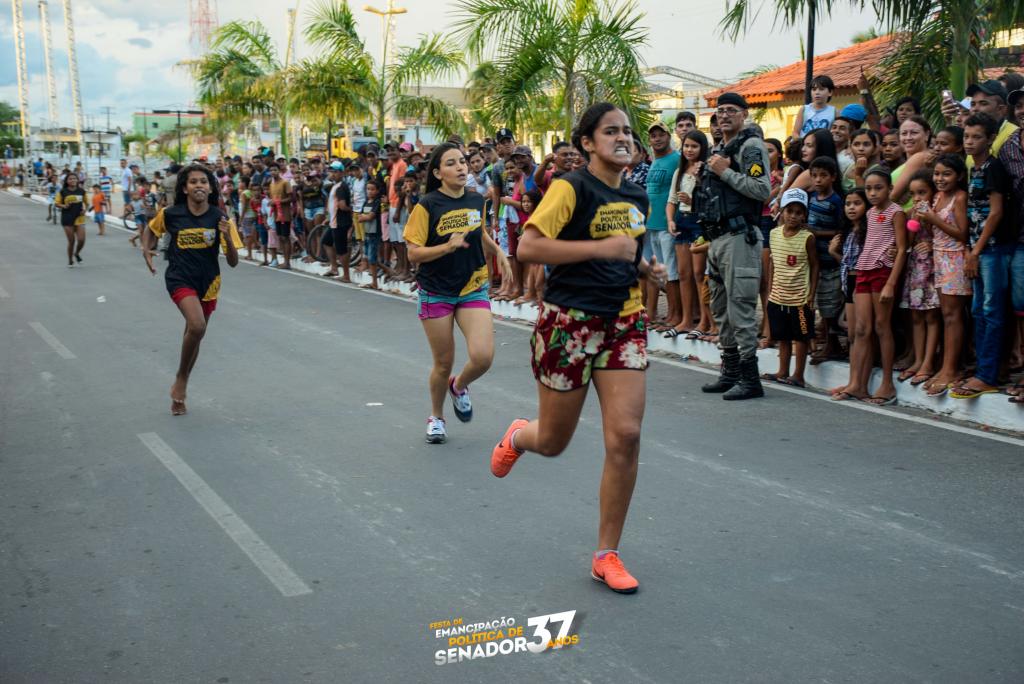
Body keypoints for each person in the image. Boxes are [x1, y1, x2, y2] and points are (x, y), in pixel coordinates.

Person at [489, 102, 667, 594]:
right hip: (568, 324)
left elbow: (629, 251)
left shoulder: (636, 195)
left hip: (624, 322)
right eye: (611, 131)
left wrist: (645, 268)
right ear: (588, 143)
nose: (623, 138)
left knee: (626, 435)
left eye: (627, 131)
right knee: (554, 442)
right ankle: (520, 435)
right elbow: (529, 247)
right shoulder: (570, 188)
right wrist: (599, 249)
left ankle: (606, 554)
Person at [404, 143, 511, 445]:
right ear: (438, 173)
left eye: (463, 162)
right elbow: (413, 254)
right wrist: (446, 247)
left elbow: (480, 233)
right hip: (436, 292)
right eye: (452, 163)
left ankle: (459, 386)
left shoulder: (477, 199)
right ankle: (436, 417)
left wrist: (498, 252)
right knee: (443, 363)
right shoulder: (427, 206)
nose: (461, 167)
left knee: (483, 357)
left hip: (472, 286)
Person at [141, 163, 242, 416]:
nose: (199, 185)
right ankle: (181, 380)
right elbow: (151, 230)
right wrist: (147, 250)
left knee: (195, 334)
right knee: (197, 326)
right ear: (184, 188)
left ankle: (180, 384)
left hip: (208, 283)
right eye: (194, 181)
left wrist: (227, 237)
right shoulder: (171, 214)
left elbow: (232, 262)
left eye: (204, 182)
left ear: (210, 188)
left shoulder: (219, 217)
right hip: (179, 278)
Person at [694, 92, 772, 400]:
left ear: (744, 115)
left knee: (740, 306)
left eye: (731, 111)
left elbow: (762, 189)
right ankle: (730, 372)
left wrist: (724, 171)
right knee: (721, 307)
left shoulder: (750, 147)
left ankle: (751, 379)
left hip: (741, 236)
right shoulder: (721, 148)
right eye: (720, 111)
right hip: (718, 237)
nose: (724, 116)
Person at [951, 113, 1016, 399]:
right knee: (978, 310)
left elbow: (996, 212)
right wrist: (968, 249)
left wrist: (975, 251)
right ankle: (981, 370)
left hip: (992, 250)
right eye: (966, 136)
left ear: (990, 140)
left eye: (977, 137)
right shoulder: (973, 168)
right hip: (977, 249)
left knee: (991, 311)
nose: (969, 141)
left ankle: (988, 375)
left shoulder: (993, 168)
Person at [844, 168, 908, 405]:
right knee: (862, 329)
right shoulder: (870, 213)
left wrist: (891, 282)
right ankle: (857, 385)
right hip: (864, 269)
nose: (872, 193)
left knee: (882, 327)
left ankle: (887, 384)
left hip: (883, 271)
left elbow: (901, 248)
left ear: (890, 189)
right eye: (869, 188)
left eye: (878, 187)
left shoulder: (896, 212)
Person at [918, 154, 971, 397]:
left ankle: (951, 369)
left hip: (955, 259)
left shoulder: (959, 198)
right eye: (937, 174)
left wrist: (933, 219)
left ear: (959, 176)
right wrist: (924, 218)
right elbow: (934, 229)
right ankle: (946, 367)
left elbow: (962, 234)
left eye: (946, 174)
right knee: (945, 314)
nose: (940, 178)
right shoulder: (938, 196)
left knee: (953, 315)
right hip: (939, 258)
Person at [762, 189, 818, 387]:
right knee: (783, 336)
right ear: (782, 211)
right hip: (778, 295)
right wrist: (770, 291)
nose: (794, 216)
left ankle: (798, 375)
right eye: (790, 211)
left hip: (800, 298)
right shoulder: (774, 234)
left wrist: (811, 293)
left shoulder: (807, 237)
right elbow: (772, 264)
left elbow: (814, 265)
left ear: (804, 215)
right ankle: (782, 370)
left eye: (799, 212)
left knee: (801, 337)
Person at [897, 170, 941, 386]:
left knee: (931, 316)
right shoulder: (911, 214)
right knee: (916, 317)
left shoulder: (937, 212)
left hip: (933, 267)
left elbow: (943, 236)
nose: (917, 198)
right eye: (913, 194)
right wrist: (913, 222)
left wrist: (931, 239)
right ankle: (917, 359)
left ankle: (928, 362)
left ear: (932, 192)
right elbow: (908, 241)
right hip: (916, 268)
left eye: (922, 192)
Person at [665, 129, 709, 338]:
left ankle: (703, 321)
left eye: (694, 146)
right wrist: (671, 220)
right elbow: (671, 201)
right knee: (684, 274)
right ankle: (685, 321)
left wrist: (693, 202)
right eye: (686, 146)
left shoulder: (706, 170)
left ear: (702, 148)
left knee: (700, 274)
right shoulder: (679, 171)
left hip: (699, 223)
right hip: (682, 222)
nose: (689, 150)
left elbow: (712, 202)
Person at [829, 188, 869, 400]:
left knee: (863, 333)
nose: (851, 208)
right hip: (848, 283)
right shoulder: (846, 232)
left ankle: (860, 384)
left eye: (857, 203)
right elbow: (846, 263)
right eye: (848, 204)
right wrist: (834, 252)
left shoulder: (868, 230)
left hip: (862, 282)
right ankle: (853, 381)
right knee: (853, 335)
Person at [805, 156, 845, 364]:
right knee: (821, 303)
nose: (818, 180)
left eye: (823, 176)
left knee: (830, 306)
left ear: (833, 177)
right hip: (815, 262)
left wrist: (815, 234)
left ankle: (833, 345)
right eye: (814, 176)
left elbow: (840, 230)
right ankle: (828, 344)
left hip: (830, 262)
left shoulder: (836, 201)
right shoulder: (811, 198)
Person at [644, 121, 682, 330]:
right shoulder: (655, 161)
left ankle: (676, 315)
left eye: (661, 135)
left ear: (669, 136)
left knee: (672, 272)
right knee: (662, 272)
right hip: (652, 224)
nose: (657, 139)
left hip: (668, 224)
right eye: (653, 136)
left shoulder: (676, 159)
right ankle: (670, 314)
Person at [55, 173, 87, 266]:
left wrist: (85, 210)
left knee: (81, 240)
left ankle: (76, 253)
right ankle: (70, 260)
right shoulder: (62, 192)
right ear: (67, 181)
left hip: (79, 218)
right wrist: (64, 205)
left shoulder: (81, 191)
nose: (73, 180)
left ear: (77, 180)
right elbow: (57, 203)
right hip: (67, 218)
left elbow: (87, 203)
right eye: (70, 179)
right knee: (72, 241)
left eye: (74, 178)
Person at [267, 164, 294, 269]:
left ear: (279, 171)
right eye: (271, 170)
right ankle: (285, 261)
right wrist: (272, 202)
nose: (273, 172)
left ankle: (287, 262)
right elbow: (272, 198)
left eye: (275, 170)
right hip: (276, 215)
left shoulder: (285, 183)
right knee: (281, 238)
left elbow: (291, 198)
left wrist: (277, 202)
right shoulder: (271, 184)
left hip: (285, 214)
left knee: (285, 237)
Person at [792, 75, 836, 139]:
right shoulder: (804, 109)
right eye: (814, 89)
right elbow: (795, 133)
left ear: (830, 92)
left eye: (821, 89)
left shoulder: (834, 112)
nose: (817, 92)